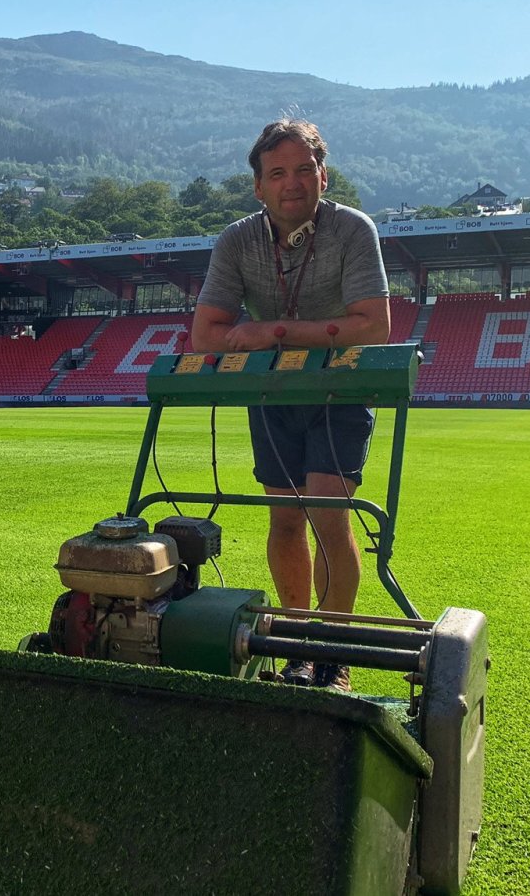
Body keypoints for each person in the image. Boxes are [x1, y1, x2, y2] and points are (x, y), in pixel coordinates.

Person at [191, 118, 391, 693]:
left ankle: (334, 652)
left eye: (304, 170)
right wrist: (269, 336)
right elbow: (206, 335)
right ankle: (298, 645)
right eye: (277, 173)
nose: (292, 183)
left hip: (340, 391)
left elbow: (374, 327)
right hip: (273, 395)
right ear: (258, 187)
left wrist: (274, 330)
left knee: (329, 515)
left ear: (323, 176)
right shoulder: (237, 240)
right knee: (283, 520)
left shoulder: (353, 229)